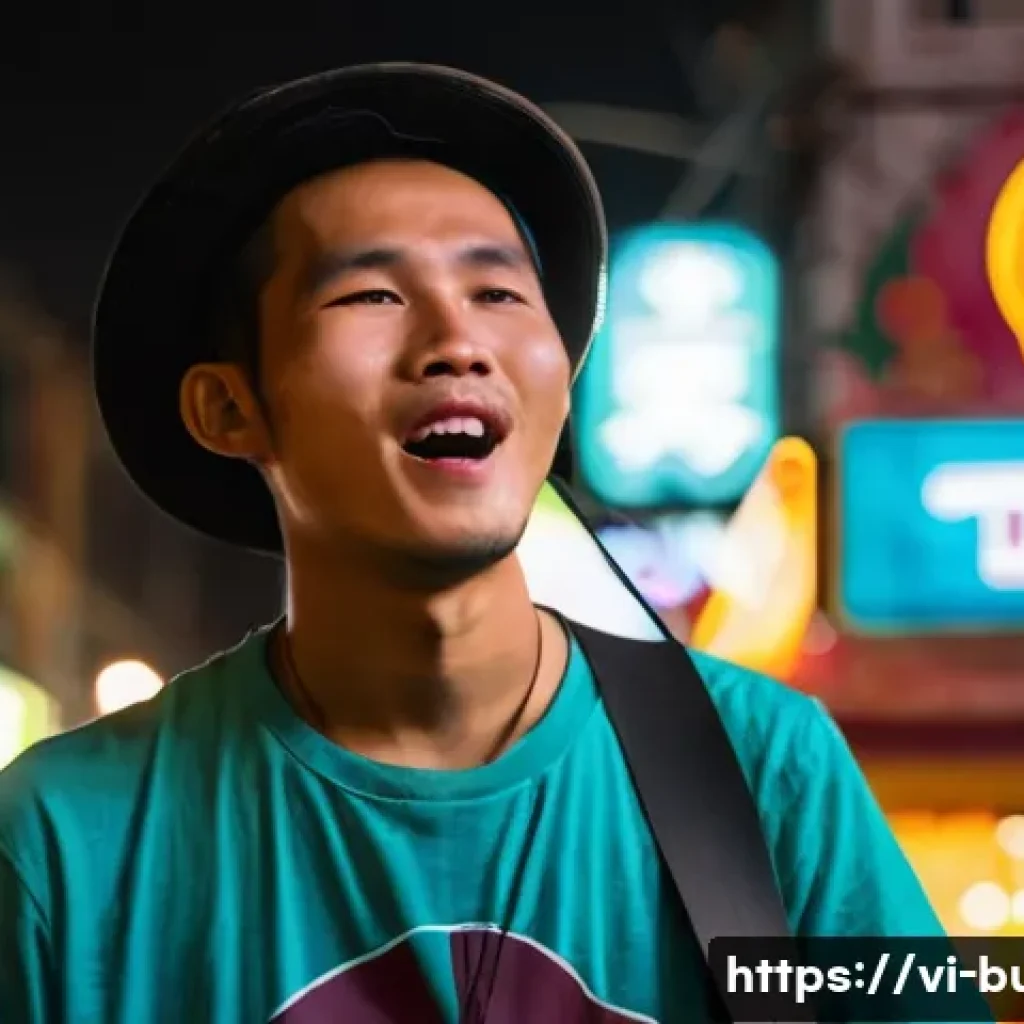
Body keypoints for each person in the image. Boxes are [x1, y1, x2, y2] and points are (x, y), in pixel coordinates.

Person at [0, 64, 944, 1024]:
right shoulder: (62, 843)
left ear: (562, 383)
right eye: (370, 295)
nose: (458, 340)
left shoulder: (766, 771)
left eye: (499, 293)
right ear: (231, 406)